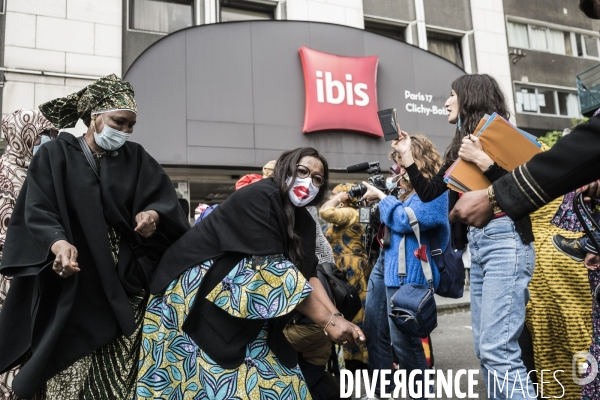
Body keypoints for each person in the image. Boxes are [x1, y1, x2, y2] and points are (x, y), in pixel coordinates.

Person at [0, 74, 190, 399]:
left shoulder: (138, 158)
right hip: (74, 278)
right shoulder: (54, 155)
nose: (126, 132)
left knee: (123, 370)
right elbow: (38, 209)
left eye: (131, 125)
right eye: (120, 122)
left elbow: (163, 201)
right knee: (65, 363)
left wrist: (153, 215)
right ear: (95, 115)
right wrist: (58, 243)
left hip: (126, 282)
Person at [136, 147, 365, 399]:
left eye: (317, 178)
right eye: (302, 171)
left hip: (247, 309)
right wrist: (328, 322)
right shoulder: (261, 196)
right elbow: (275, 274)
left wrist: (336, 316)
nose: (308, 181)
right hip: (191, 303)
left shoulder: (305, 221)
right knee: (193, 384)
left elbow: (308, 274)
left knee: (281, 384)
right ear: (285, 168)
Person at [394, 74, 536, 398]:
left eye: (452, 95)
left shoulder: (503, 139)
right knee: (485, 351)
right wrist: (407, 157)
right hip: (480, 246)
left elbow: (525, 194)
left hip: (507, 241)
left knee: (499, 351)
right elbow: (431, 193)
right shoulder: (460, 146)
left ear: (469, 98)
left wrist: (484, 162)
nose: (446, 102)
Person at [361, 135, 450, 399]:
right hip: (387, 263)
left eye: (399, 161)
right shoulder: (406, 191)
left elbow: (405, 221)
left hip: (411, 271)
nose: (397, 169)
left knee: (405, 341)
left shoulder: (434, 189)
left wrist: (382, 198)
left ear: (416, 157)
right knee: (375, 329)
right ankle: (382, 390)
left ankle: (420, 394)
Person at [0, 109, 57, 400]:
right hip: (8, 284)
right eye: (43, 135)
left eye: (53, 135)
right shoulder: (4, 176)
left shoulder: (37, 176)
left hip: (32, 281)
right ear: (22, 137)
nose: (49, 141)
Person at [319, 183, 371, 369]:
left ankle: (355, 359)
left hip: (349, 268)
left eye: (335, 194)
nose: (331, 198)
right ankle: (357, 357)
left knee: (350, 312)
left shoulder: (349, 213)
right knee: (355, 312)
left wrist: (338, 198)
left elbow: (325, 212)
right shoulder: (357, 213)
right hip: (352, 267)